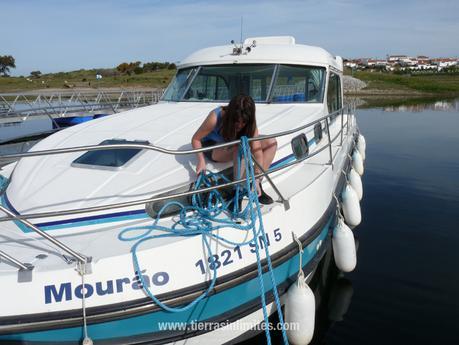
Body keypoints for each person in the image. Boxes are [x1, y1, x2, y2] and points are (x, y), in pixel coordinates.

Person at [191, 95, 277, 204]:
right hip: (212, 146)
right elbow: (196, 139)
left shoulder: (250, 123)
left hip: (233, 143)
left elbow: (257, 150)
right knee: (240, 146)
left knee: (271, 143)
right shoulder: (215, 116)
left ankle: (256, 185)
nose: (240, 125)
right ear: (231, 116)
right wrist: (201, 161)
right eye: (237, 121)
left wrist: (257, 177)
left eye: (244, 122)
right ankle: (237, 192)